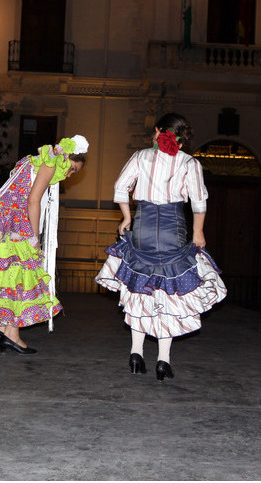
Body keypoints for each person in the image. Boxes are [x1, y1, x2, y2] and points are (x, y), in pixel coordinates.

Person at [95, 113, 227, 381]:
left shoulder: (141, 157)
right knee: (169, 292)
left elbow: (120, 188)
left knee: (140, 288)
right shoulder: (190, 162)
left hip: (143, 227)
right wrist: (198, 232)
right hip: (172, 229)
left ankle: (136, 353)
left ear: (157, 131)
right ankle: (163, 361)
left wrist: (127, 217)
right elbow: (199, 202)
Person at [0, 135, 89, 354]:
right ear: (66, 157)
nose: (69, 174)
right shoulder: (50, 161)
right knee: (20, 278)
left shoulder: (37, 160)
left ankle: (5, 331)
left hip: (4, 222)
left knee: (9, 277)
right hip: (15, 226)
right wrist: (34, 238)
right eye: (73, 168)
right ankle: (10, 333)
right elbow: (33, 200)